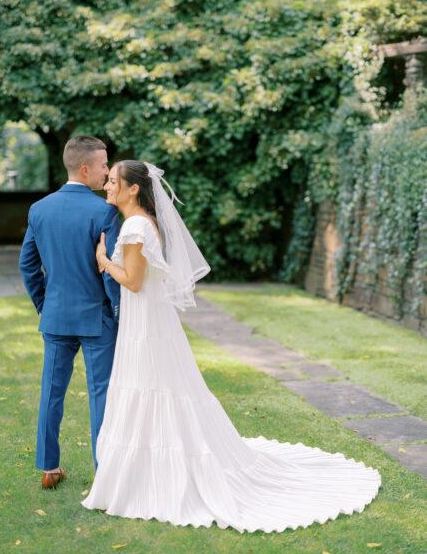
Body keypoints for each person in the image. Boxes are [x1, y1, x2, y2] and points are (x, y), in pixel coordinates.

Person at [81, 160, 381, 533]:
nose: (106, 186)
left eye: (112, 182)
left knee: (152, 386)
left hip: (145, 323)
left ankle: (150, 476)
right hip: (150, 322)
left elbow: (135, 282)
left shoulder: (136, 226)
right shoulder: (142, 223)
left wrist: (104, 261)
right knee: (158, 387)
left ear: (133, 189)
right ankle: (149, 468)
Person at [19, 136, 120, 489]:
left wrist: (44, 306)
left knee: (51, 391)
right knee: (102, 393)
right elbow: (108, 270)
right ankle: (104, 472)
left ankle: (49, 467)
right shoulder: (104, 211)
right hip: (97, 319)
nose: (108, 171)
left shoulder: (39, 209)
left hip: (57, 316)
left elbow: (27, 266)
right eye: (105, 165)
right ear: (85, 168)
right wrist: (118, 312)